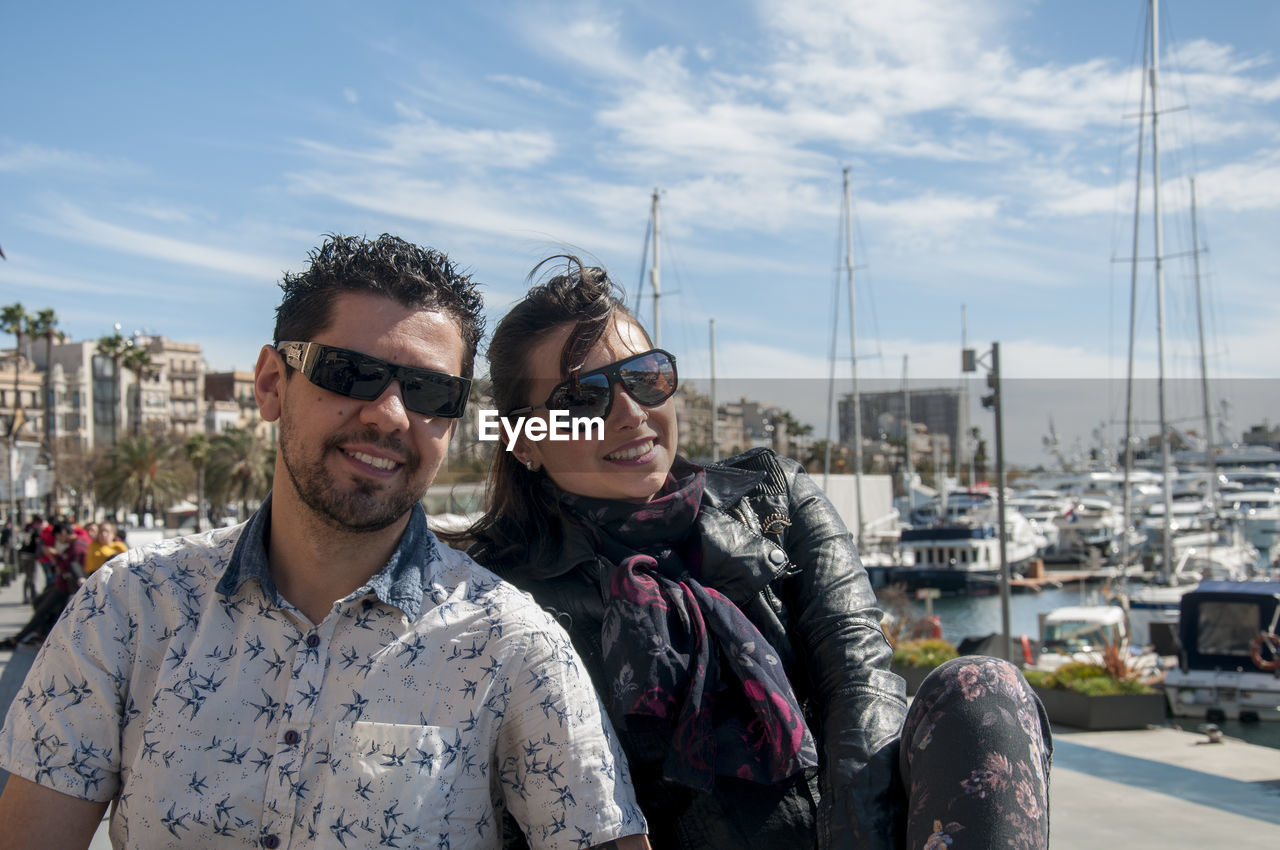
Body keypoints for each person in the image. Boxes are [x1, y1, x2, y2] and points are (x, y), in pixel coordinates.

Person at [0, 235, 649, 850]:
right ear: (271, 384)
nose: (389, 414)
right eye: (350, 372)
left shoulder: (511, 647)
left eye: (428, 391)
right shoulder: (130, 610)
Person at [457, 256, 1052, 849]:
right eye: (584, 398)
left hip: (844, 825)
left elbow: (859, 681)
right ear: (525, 441)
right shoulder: (497, 596)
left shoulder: (773, 495)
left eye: (646, 377)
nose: (632, 414)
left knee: (983, 687)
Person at [0, 520, 87, 650]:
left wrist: (54, 556)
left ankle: (19, 639)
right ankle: (38, 635)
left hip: (66, 587)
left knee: (42, 609)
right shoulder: (79, 542)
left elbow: (69, 568)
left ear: (63, 532)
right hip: (64, 585)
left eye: (57, 537)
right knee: (40, 604)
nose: (57, 541)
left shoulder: (76, 546)